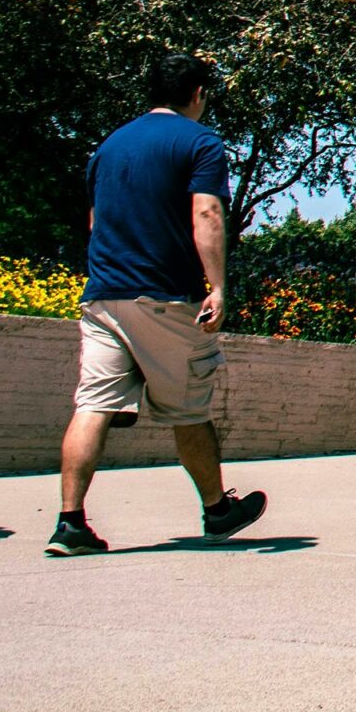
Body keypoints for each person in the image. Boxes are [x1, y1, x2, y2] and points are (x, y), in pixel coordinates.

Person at [49, 53, 267, 556]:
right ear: (197, 94)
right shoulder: (200, 141)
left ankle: (69, 523)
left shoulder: (109, 146)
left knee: (93, 405)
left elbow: (94, 222)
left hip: (104, 296)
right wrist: (217, 287)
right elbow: (207, 213)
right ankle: (217, 511)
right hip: (165, 297)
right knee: (189, 408)